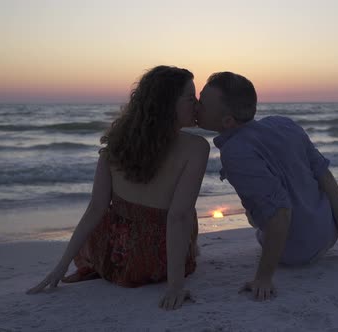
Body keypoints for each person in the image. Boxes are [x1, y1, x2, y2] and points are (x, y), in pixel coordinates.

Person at [27, 65, 210, 311]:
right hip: (158, 262)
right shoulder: (197, 147)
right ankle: (188, 251)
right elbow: (178, 217)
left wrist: (62, 265)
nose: (196, 105)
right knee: (186, 211)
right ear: (168, 103)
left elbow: (96, 208)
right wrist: (175, 285)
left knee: (117, 214)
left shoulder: (117, 143)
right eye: (190, 98)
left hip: (116, 260)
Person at [196, 72, 338, 301]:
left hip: (294, 252)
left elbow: (280, 212)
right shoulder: (284, 124)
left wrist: (263, 277)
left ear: (228, 121)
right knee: (293, 183)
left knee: (259, 209)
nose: (196, 105)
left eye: (202, 103)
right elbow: (325, 177)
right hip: (328, 233)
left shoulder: (235, 151)